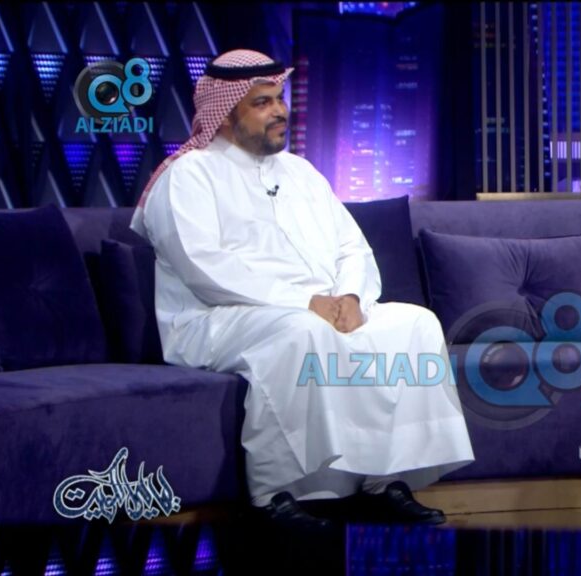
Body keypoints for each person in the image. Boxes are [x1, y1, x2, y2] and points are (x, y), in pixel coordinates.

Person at [131, 49, 474, 530]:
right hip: (219, 318)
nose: (279, 111)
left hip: (319, 309)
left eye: (280, 99)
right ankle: (277, 494)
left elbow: (351, 246)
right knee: (303, 332)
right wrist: (307, 303)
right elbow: (205, 267)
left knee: (415, 324)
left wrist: (350, 298)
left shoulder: (301, 173)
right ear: (225, 114)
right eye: (262, 103)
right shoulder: (188, 176)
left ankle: (386, 481)